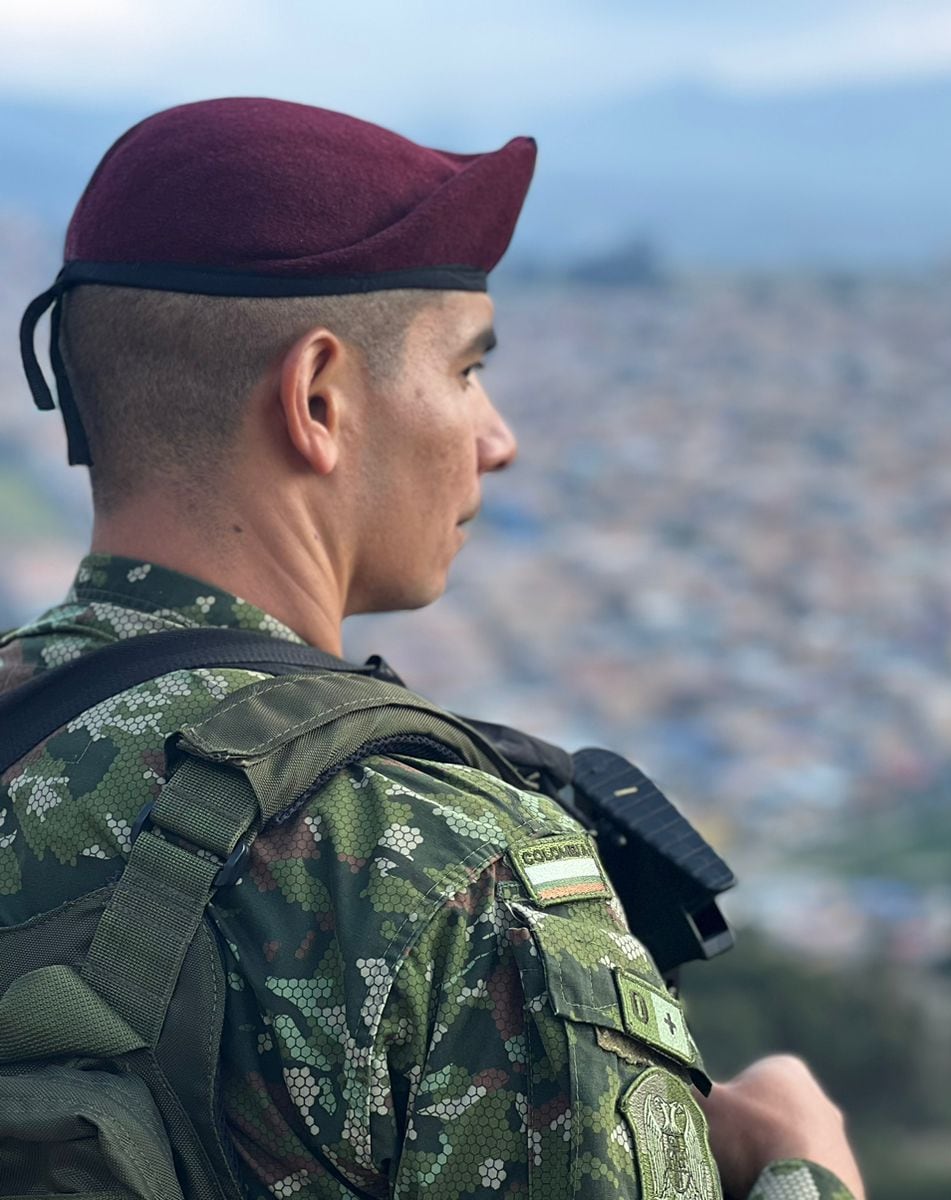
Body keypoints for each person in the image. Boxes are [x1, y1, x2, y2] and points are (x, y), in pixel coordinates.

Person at [2, 97, 864, 1200]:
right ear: (318, 398)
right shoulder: (445, 868)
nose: (496, 441)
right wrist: (806, 1164)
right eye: (465, 371)